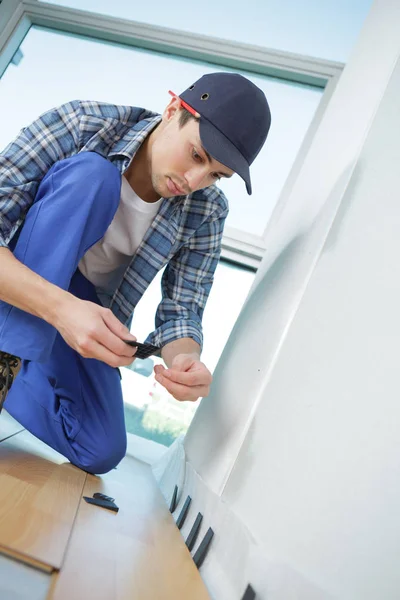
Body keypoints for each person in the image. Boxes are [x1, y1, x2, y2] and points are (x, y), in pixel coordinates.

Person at [0, 72, 271, 473]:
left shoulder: (207, 211)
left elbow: (182, 309)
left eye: (215, 175)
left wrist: (186, 360)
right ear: (174, 109)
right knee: (93, 177)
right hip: (20, 282)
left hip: (85, 315)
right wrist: (60, 309)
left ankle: (16, 371)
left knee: (99, 448)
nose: (195, 182)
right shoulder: (82, 124)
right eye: (196, 155)